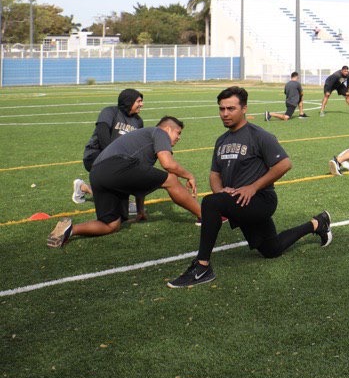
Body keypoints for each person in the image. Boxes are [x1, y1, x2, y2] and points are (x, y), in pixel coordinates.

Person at [166, 86, 331, 288]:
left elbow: (284, 164)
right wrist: (220, 192)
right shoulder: (222, 140)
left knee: (209, 203)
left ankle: (202, 266)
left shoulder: (259, 135)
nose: (225, 114)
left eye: (231, 108)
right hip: (238, 201)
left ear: (244, 108)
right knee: (271, 250)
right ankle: (317, 223)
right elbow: (214, 173)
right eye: (222, 109)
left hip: (261, 200)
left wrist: (253, 187)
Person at [48, 117, 201, 248]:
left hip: (97, 173)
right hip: (117, 166)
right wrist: (189, 176)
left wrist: (140, 210)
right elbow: (168, 164)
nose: (179, 137)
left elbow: (141, 180)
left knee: (111, 225)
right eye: (178, 133)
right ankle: (204, 216)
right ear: (168, 128)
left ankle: (70, 229)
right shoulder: (159, 133)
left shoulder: (142, 141)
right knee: (171, 179)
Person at [71, 88, 146, 214]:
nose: (141, 104)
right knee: (116, 175)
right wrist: (116, 159)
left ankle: (82, 187)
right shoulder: (110, 112)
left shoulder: (138, 121)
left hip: (118, 159)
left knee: (129, 174)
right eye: (139, 101)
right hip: (95, 154)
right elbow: (102, 136)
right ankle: (123, 203)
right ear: (129, 101)